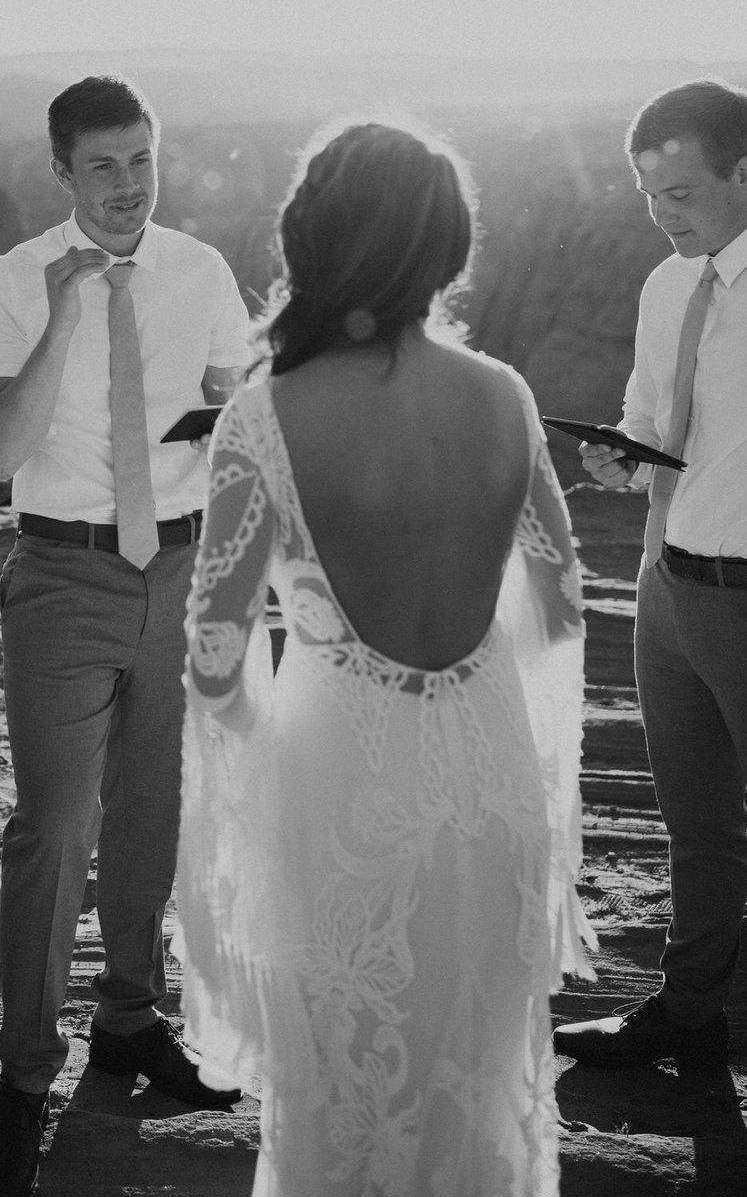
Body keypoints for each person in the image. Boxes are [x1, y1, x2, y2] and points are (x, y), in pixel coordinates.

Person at [173, 119, 595, 1197]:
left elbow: (214, 654)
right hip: (492, 782)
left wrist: (263, 762)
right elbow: (557, 597)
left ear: (314, 240)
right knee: (477, 1089)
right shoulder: (502, 394)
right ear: (443, 247)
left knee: (344, 1109)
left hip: (341, 801)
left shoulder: (264, 417)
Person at [0, 75, 251, 1197]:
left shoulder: (203, 272)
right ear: (62, 174)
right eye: (103, 166)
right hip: (62, 574)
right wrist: (70, 312)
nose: (128, 185)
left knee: (150, 809)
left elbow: (229, 410)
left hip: (179, 565)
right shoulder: (9, 282)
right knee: (51, 825)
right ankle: (26, 1071)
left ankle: (128, 1018)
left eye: (141, 160)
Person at [554, 79, 747, 1071]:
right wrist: (617, 455)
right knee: (696, 826)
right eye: (645, 193)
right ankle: (690, 1011)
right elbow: (647, 418)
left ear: (741, 172)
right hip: (666, 588)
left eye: (679, 191)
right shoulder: (665, 283)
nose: (659, 213)